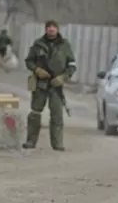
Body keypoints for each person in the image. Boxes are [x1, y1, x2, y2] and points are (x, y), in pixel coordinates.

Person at [22, 20, 76, 151]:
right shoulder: (38, 44)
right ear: (46, 29)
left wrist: (63, 77)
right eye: (49, 27)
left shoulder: (65, 45)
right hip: (41, 84)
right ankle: (30, 141)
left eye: (53, 27)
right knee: (35, 112)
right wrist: (37, 70)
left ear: (57, 29)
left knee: (57, 114)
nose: (51, 30)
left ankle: (57, 143)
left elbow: (72, 66)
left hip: (56, 86)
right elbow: (29, 61)